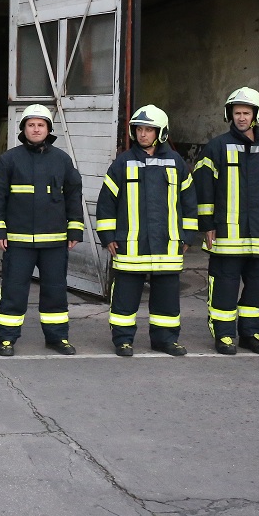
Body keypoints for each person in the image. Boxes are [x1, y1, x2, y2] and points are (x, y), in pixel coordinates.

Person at [96, 105, 198, 357]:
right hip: (131, 245)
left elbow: (189, 202)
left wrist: (187, 235)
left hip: (167, 244)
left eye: (149, 130)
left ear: (160, 132)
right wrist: (108, 236)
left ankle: (165, 340)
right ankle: (123, 340)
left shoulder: (175, 162)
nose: (142, 134)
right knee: (125, 298)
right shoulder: (123, 163)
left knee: (167, 299)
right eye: (139, 129)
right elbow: (106, 202)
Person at [193, 87, 259, 355]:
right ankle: (224, 335)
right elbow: (204, 189)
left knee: (257, 289)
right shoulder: (216, 147)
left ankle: (252, 334)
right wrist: (207, 225)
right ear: (230, 115)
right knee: (224, 287)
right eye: (237, 113)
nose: (242, 118)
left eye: (246, 113)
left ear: (256, 115)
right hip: (226, 235)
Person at [0, 103, 83, 356]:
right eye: (31, 125)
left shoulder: (62, 160)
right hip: (18, 241)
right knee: (13, 291)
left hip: (54, 241)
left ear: (49, 129)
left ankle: (57, 338)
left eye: (41, 125)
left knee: (55, 292)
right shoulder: (9, 159)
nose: (36, 129)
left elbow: (73, 195)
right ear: (23, 129)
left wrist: (75, 229)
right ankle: (6, 339)